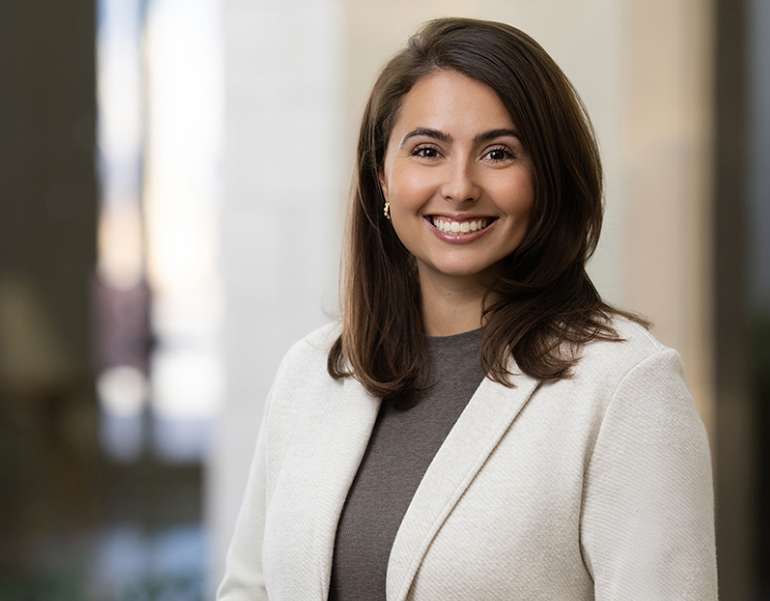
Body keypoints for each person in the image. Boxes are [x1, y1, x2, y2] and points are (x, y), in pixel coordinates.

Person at [218, 17, 717, 601]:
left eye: (498, 153)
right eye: (428, 150)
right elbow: (249, 589)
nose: (459, 186)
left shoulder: (626, 387)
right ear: (382, 175)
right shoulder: (314, 371)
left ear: (548, 178)